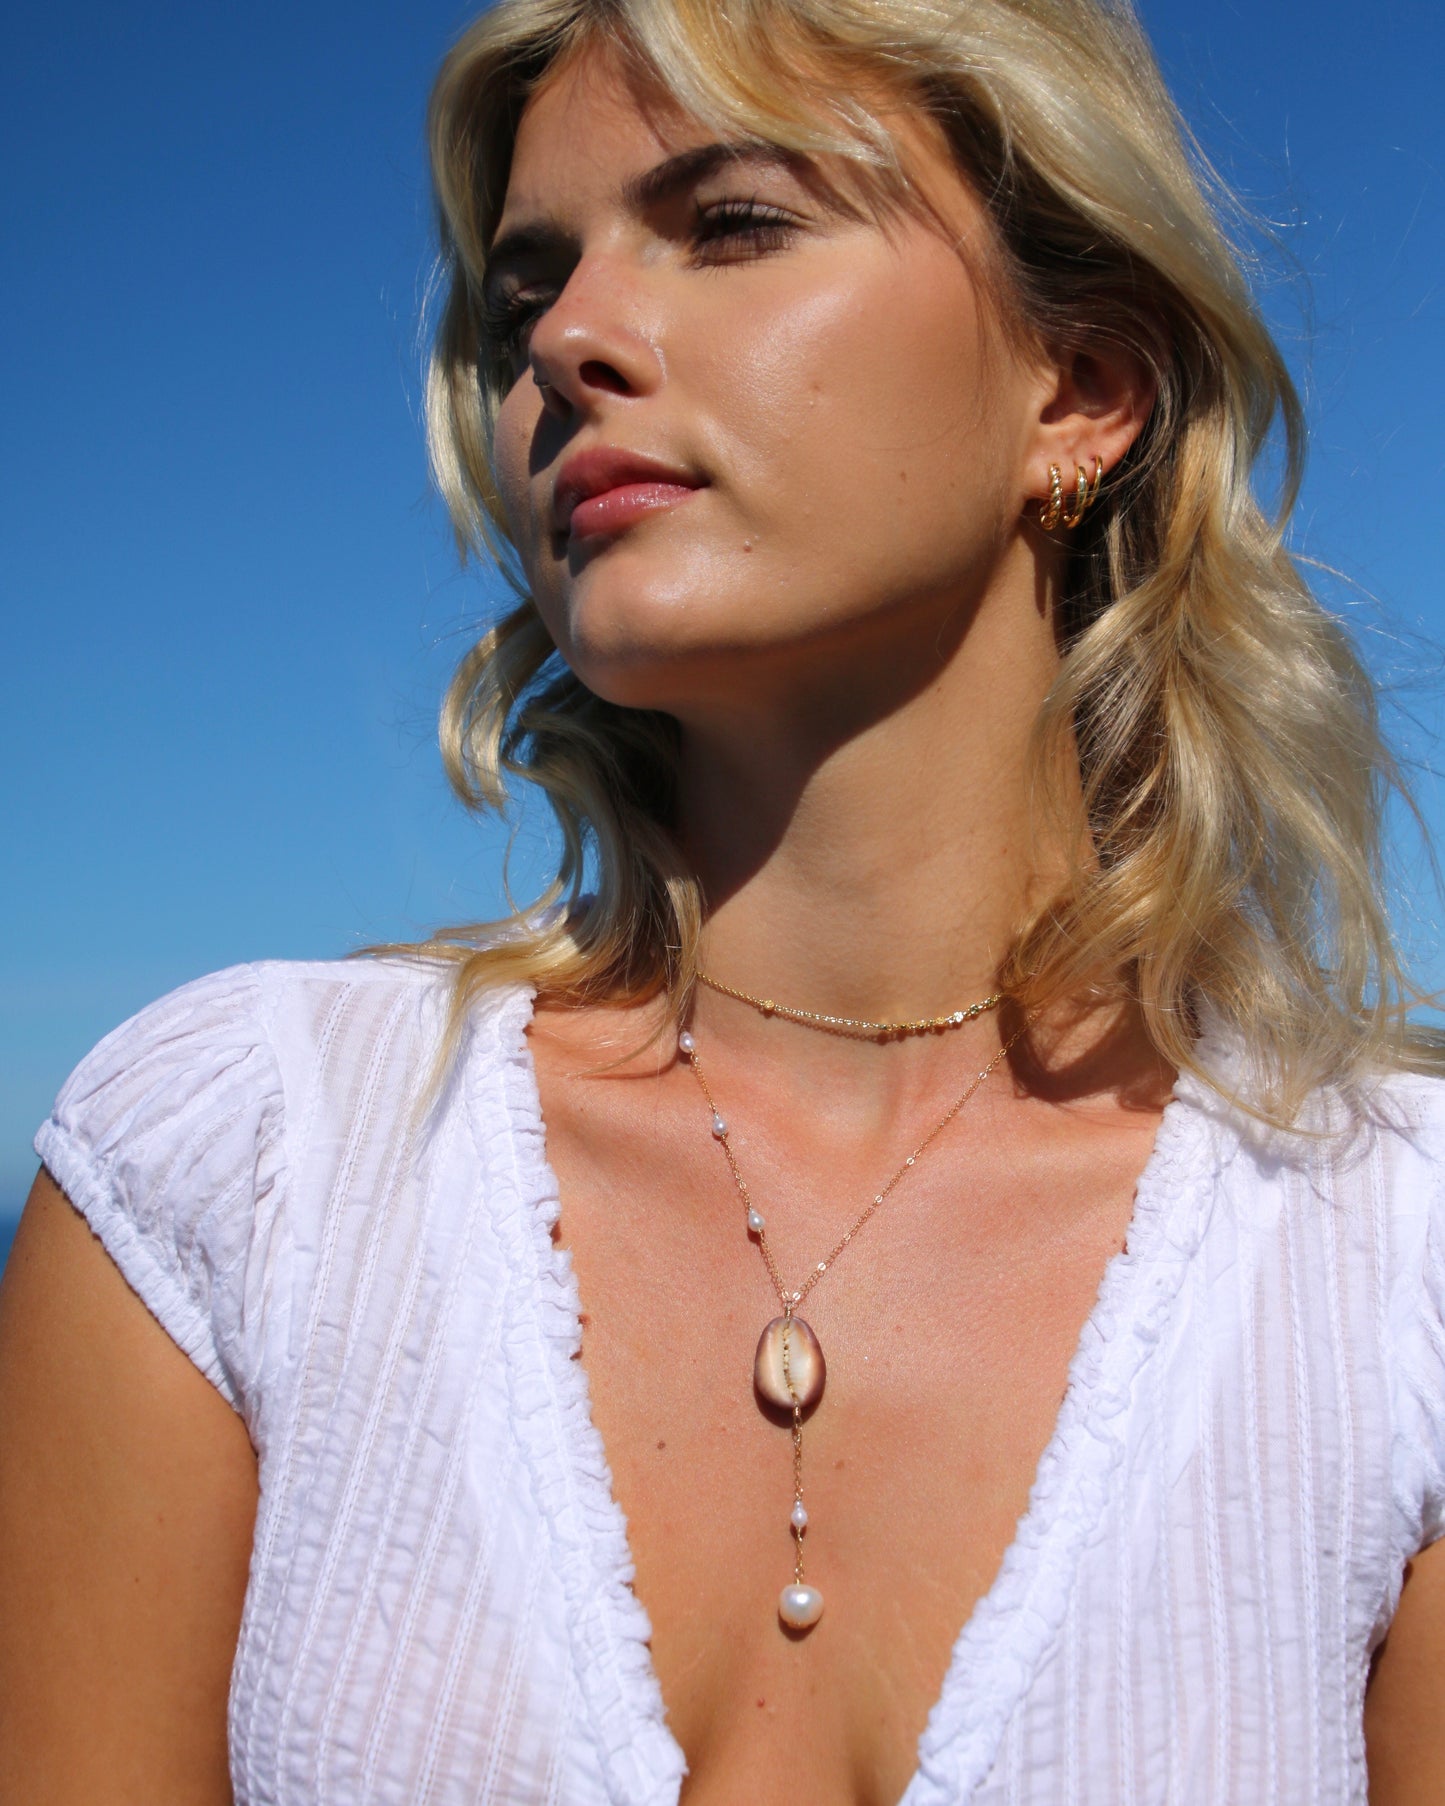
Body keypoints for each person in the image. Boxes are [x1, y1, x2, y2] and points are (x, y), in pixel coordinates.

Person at [1, 0, 1442, 1798]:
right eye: (526, 292)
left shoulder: (1395, 1258)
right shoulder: (241, 1164)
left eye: (735, 223)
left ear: (1078, 386)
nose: (567, 340)